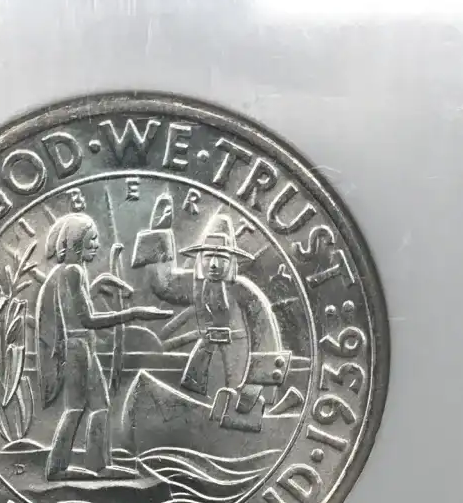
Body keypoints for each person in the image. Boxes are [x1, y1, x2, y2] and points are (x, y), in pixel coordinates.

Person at [124, 200, 288, 434]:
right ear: (200, 258)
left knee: (236, 407)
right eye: (209, 256)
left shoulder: (243, 290)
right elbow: (162, 284)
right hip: (204, 357)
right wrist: (159, 234)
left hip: (238, 358)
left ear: (231, 261)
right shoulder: (195, 284)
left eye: (221, 257)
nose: (213, 263)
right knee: (201, 408)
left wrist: (255, 384)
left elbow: (266, 335)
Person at [34, 213, 170, 481]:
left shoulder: (73, 271)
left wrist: (101, 283)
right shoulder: (72, 272)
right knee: (77, 407)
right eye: (92, 239)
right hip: (77, 348)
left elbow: (76, 306)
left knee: (99, 404)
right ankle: (58, 468)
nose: (97, 244)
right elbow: (86, 319)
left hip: (82, 346)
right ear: (76, 242)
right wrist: (134, 314)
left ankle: (96, 465)